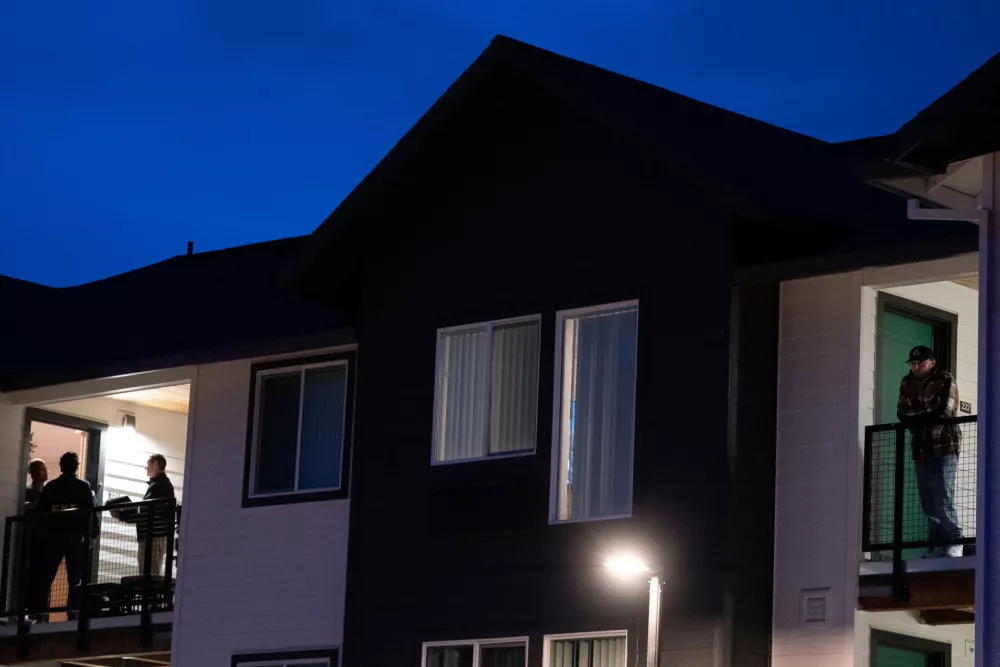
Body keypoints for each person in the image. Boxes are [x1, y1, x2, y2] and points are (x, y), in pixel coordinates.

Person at [897, 345, 963, 558]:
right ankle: (937, 545)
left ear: (932, 362)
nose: (916, 367)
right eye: (913, 364)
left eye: (921, 363)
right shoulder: (906, 382)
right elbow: (902, 414)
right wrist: (926, 414)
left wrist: (917, 416)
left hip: (944, 446)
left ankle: (955, 541)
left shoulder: (945, 379)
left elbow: (944, 411)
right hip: (921, 448)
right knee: (927, 501)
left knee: (944, 495)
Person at [33, 452, 97, 616]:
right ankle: (73, 616)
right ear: (76, 466)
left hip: (52, 538)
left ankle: (41, 615)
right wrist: (93, 532)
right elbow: (90, 511)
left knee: (45, 578)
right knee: (75, 580)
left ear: (61, 466)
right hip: (75, 538)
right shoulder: (83, 486)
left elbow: (40, 512)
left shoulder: (51, 487)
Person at [115, 454, 175, 577]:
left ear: (156, 464)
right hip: (153, 536)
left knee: (149, 574)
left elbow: (146, 514)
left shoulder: (159, 486)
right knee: (149, 573)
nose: (145, 467)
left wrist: (122, 515)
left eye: (147, 464)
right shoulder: (161, 485)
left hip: (152, 537)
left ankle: (150, 596)